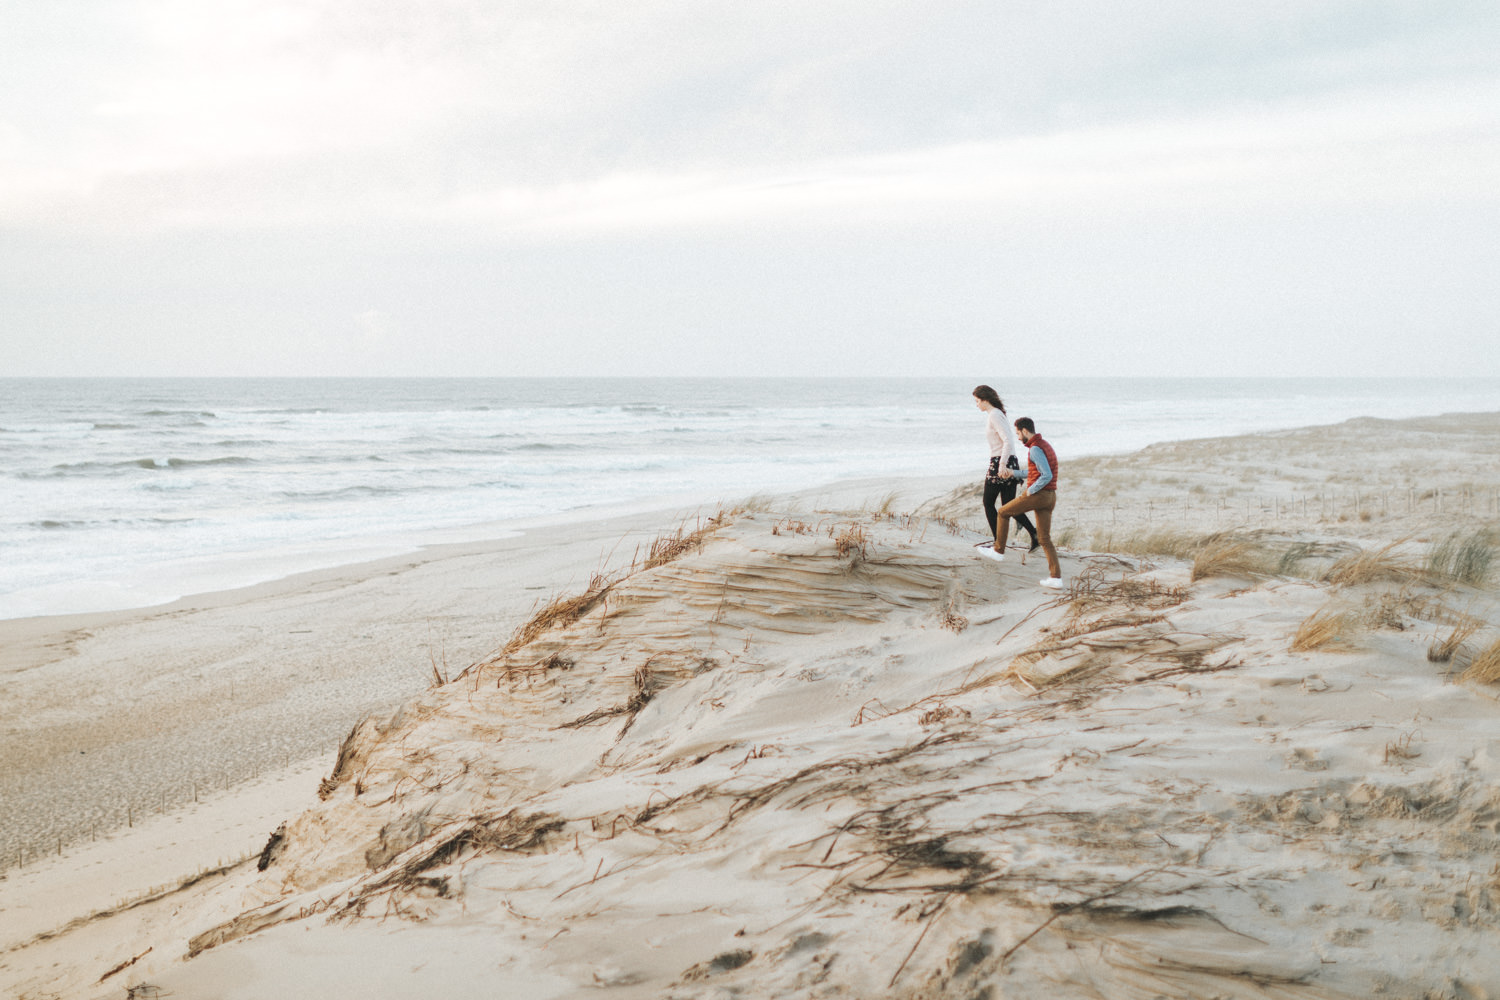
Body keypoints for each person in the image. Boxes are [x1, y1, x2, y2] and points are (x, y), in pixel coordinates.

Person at [971, 386, 1037, 562]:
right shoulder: (997, 414)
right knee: (1008, 505)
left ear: (985, 399)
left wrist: (1001, 465)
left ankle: (997, 543)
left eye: (977, 401)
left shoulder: (994, 415)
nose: (976, 405)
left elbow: (1007, 441)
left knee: (988, 503)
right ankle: (1034, 534)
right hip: (1006, 460)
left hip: (1001, 462)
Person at [996, 416, 1063, 589]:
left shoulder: (1034, 449)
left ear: (1025, 431)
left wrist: (1031, 491)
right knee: (1044, 538)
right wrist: (1013, 473)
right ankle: (1055, 578)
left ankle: (998, 551)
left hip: (1039, 495)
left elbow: (1045, 475)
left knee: (1003, 512)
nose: (1018, 437)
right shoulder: (1044, 445)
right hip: (1050, 496)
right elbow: (1035, 471)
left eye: (1018, 433)